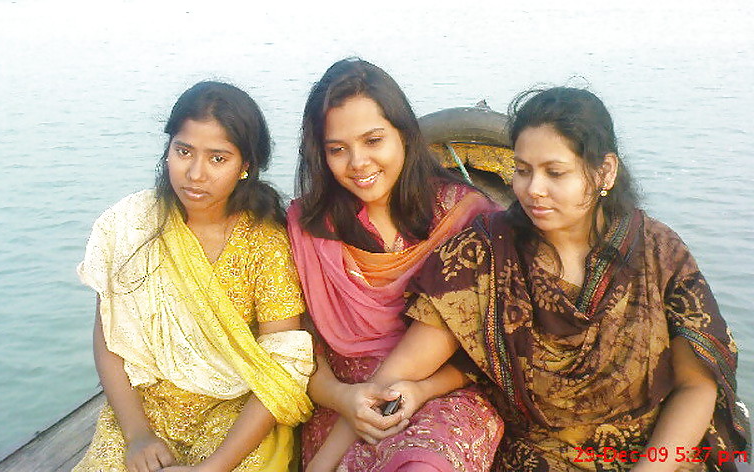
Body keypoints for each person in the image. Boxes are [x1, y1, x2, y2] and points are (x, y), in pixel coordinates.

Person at [358, 87, 750, 471]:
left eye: (555, 173)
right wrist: (410, 392)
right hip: (539, 458)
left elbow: (696, 385)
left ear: (605, 172)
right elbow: (404, 374)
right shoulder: (484, 255)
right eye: (522, 171)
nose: (533, 190)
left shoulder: (658, 254)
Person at [73, 81, 314, 472]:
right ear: (168, 150)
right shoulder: (131, 225)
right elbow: (109, 338)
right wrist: (137, 435)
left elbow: (283, 367)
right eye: (183, 151)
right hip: (145, 409)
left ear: (245, 165)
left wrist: (212, 467)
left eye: (218, 158)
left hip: (234, 414)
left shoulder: (266, 244)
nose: (195, 173)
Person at [286, 58, 504, 472]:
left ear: (403, 134)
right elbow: (296, 349)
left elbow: (487, 351)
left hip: (441, 397)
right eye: (337, 149)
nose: (358, 163)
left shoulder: (463, 218)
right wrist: (343, 399)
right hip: (341, 403)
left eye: (373, 141)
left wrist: (421, 389)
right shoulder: (307, 228)